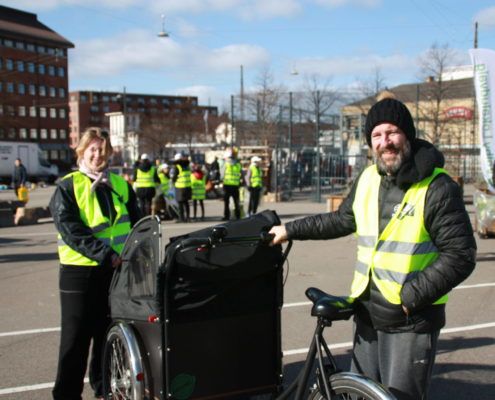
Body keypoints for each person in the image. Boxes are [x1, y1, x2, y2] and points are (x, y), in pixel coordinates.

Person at [269, 97, 476, 400]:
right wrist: (289, 230)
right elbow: (341, 220)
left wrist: (410, 297)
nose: (385, 142)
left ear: (408, 135)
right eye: (377, 136)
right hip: (367, 314)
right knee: (359, 395)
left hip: (410, 321)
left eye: (392, 132)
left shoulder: (437, 187)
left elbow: (461, 255)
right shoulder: (368, 178)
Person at [49, 127, 142, 400]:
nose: (97, 154)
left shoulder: (121, 185)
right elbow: (71, 230)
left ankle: (104, 389)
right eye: (92, 148)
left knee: (106, 334)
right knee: (75, 340)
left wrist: (140, 254)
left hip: (114, 272)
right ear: (81, 151)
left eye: (102, 149)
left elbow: (138, 225)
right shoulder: (68, 186)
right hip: (79, 273)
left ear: (110, 152)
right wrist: (106, 255)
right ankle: (66, 394)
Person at [221, 148, 242, 220]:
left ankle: (226, 216)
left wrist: (221, 180)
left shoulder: (226, 164)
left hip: (227, 186)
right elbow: (241, 174)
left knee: (226, 203)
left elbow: (222, 174)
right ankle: (238, 216)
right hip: (235, 186)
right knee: (236, 202)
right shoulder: (238, 165)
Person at [170, 152, 192, 222]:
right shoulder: (187, 166)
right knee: (186, 202)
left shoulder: (177, 166)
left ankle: (182, 218)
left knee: (180, 203)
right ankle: (188, 217)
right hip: (188, 186)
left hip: (180, 187)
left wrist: (173, 181)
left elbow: (174, 177)